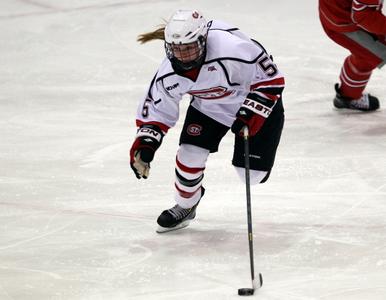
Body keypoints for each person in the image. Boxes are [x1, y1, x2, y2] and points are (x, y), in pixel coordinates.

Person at [130, 10, 285, 233]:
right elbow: (156, 109)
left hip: (250, 101)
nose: (182, 56)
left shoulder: (232, 49)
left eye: (189, 47)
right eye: (177, 49)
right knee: (189, 154)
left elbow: (272, 79)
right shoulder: (169, 72)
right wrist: (146, 143)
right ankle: (186, 205)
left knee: (251, 176)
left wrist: (253, 113)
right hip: (210, 105)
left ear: (203, 39)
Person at [319, 0, 386, 111]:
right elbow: (363, 16)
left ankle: (348, 95)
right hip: (342, 18)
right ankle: (348, 96)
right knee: (375, 52)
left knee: (367, 55)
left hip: (344, 11)